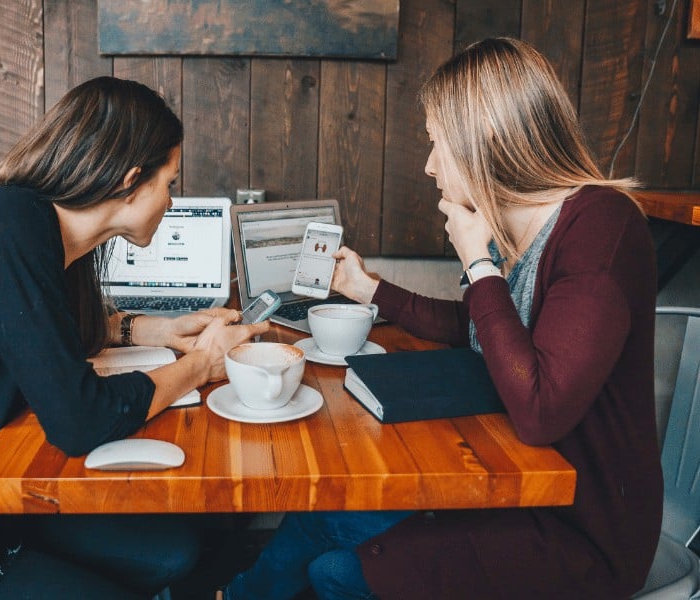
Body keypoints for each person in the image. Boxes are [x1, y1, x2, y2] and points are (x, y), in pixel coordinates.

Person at [217, 37, 663, 599]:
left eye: (437, 144)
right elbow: (484, 331)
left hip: (576, 529)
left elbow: (540, 410)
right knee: (317, 517)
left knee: (337, 571)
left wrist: (479, 262)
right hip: (508, 489)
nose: (429, 166)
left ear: (486, 141)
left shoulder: (601, 227)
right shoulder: (512, 223)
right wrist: (368, 288)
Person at [0, 76, 269, 599]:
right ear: (131, 180)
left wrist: (153, 328)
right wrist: (202, 364)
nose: (170, 201)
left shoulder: (46, 233)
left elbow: (52, 334)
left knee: (176, 551)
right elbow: (79, 419)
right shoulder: (7, 224)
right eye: (170, 183)